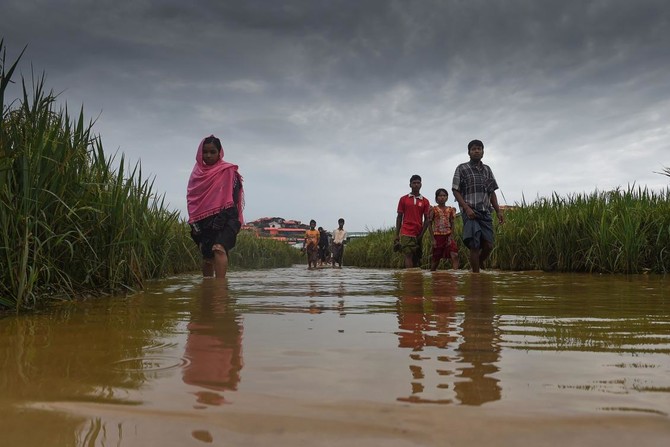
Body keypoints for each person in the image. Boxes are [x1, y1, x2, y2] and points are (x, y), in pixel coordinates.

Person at [187, 135, 244, 279]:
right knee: (207, 256)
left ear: (219, 153)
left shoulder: (228, 171)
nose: (208, 155)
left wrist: (222, 218)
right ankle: (207, 289)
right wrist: (195, 224)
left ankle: (220, 288)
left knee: (219, 248)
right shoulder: (196, 175)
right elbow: (192, 200)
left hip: (227, 217)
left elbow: (234, 196)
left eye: (213, 152)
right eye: (205, 152)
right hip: (203, 220)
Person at [452, 139, 504, 273]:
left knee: (488, 245)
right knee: (474, 245)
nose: (476, 151)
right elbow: (455, 190)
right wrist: (466, 208)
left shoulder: (487, 170)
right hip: (470, 211)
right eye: (473, 149)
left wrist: (498, 211)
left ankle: (478, 264)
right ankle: (476, 277)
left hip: (485, 212)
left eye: (479, 149)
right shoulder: (462, 168)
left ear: (483, 152)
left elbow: (491, 192)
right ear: (469, 152)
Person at [394, 175, 430, 268]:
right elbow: (399, 217)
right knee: (408, 254)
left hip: (418, 231)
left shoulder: (425, 201)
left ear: (421, 184)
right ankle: (409, 278)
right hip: (406, 231)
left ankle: (414, 280)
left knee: (417, 257)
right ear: (410, 185)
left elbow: (427, 219)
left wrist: (421, 235)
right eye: (414, 183)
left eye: (418, 183)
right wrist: (396, 235)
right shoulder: (403, 199)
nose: (416, 185)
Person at [428, 188, 460, 271]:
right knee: (436, 259)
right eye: (440, 196)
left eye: (444, 196)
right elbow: (429, 224)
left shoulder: (450, 209)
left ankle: (455, 274)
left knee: (454, 254)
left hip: (448, 235)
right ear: (436, 198)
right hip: (438, 236)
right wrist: (432, 239)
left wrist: (451, 236)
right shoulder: (433, 209)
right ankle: (433, 273)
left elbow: (452, 223)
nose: (442, 197)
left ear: (447, 197)